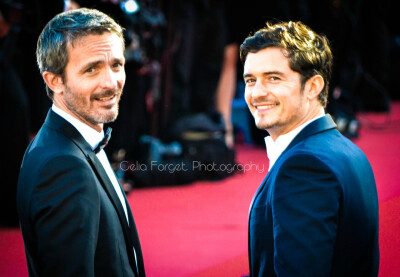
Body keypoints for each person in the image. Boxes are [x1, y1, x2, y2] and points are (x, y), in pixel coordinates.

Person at [240, 21, 379, 276]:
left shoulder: (304, 167)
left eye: (273, 78)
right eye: (250, 80)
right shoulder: (345, 150)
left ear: (313, 87)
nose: (257, 93)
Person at [17, 8, 145, 277]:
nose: (111, 83)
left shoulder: (65, 143)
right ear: (55, 81)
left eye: (116, 65)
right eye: (92, 69)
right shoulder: (63, 167)